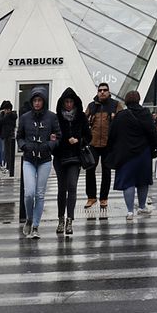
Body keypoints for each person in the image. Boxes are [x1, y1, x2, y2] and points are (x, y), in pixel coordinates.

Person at [16, 87, 61, 239]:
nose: (37, 103)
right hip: (29, 159)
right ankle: (29, 218)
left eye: (39, 100)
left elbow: (58, 136)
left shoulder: (52, 117)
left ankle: (35, 225)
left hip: (45, 159)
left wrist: (49, 145)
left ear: (44, 101)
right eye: (35, 100)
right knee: (29, 193)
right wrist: (24, 146)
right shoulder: (25, 117)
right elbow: (19, 136)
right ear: (31, 102)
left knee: (40, 194)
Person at [107, 90, 157, 221]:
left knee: (128, 182)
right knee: (143, 181)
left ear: (126, 101)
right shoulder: (145, 114)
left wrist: (112, 150)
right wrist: (156, 148)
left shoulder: (120, 116)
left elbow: (112, 134)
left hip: (125, 154)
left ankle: (130, 211)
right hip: (143, 153)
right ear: (138, 100)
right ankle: (142, 206)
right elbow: (152, 132)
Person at [53, 88, 90, 237]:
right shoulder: (57, 117)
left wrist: (79, 140)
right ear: (62, 103)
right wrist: (60, 140)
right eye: (66, 102)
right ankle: (61, 219)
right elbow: (53, 136)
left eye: (71, 102)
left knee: (72, 187)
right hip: (60, 156)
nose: (68, 104)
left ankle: (70, 219)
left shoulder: (81, 116)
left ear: (75, 103)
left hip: (75, 157)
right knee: (61, 189)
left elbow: (89, 136)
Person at [85, 83, 122, 216]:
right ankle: (91, 197)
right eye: (100, 90)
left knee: (106, 171)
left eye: (105, 90)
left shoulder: (115, 105)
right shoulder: (91, 106)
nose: (102, 92)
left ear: (109, 92)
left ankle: (104, 198)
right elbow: (84, 122)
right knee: (90, 169)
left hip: (108, 144)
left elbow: (121, 122)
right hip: (93, 143)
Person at [0, 101, 17, 174]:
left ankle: (9, 167)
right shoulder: (3, 115)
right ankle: (6, 166)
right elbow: (0, 122)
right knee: (5, 152)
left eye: (7, 109)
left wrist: (7, 115)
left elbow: (12, 123)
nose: (6, 111)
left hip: (10, 135)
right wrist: (4, 115)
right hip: (5, 135)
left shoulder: (12, 115)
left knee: (9, 152)